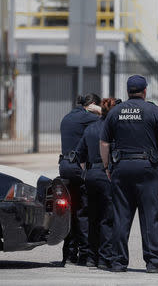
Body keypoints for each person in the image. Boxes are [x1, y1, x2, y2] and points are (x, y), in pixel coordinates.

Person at [100, 75, 158, 273]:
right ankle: (153, 263)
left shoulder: (115, 112)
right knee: (150, 216)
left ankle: (118, 262)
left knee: (121, 216)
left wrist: (107, 166)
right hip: (148, 169)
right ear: (144, 91)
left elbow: (104, 144)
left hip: (121, 168)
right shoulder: (153, 110)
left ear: (127, 91)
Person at [75, 98, 120, 269]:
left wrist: (87, 170)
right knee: (107, 218)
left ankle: (91, 258)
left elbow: (79, 154)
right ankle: (104, 258)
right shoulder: (115, 129)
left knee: (93, 217)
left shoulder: (90, 128)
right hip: (107, 174)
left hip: (91, 175)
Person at [59, 93, 101, 266]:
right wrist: (99, 110)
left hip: (64, 167)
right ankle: (85, 255)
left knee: (70, 211)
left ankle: (68, 255)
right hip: (78, 168)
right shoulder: (88, 117)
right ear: (91, 104)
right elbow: (109, 119)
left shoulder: (67, 117)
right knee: (84, 212)